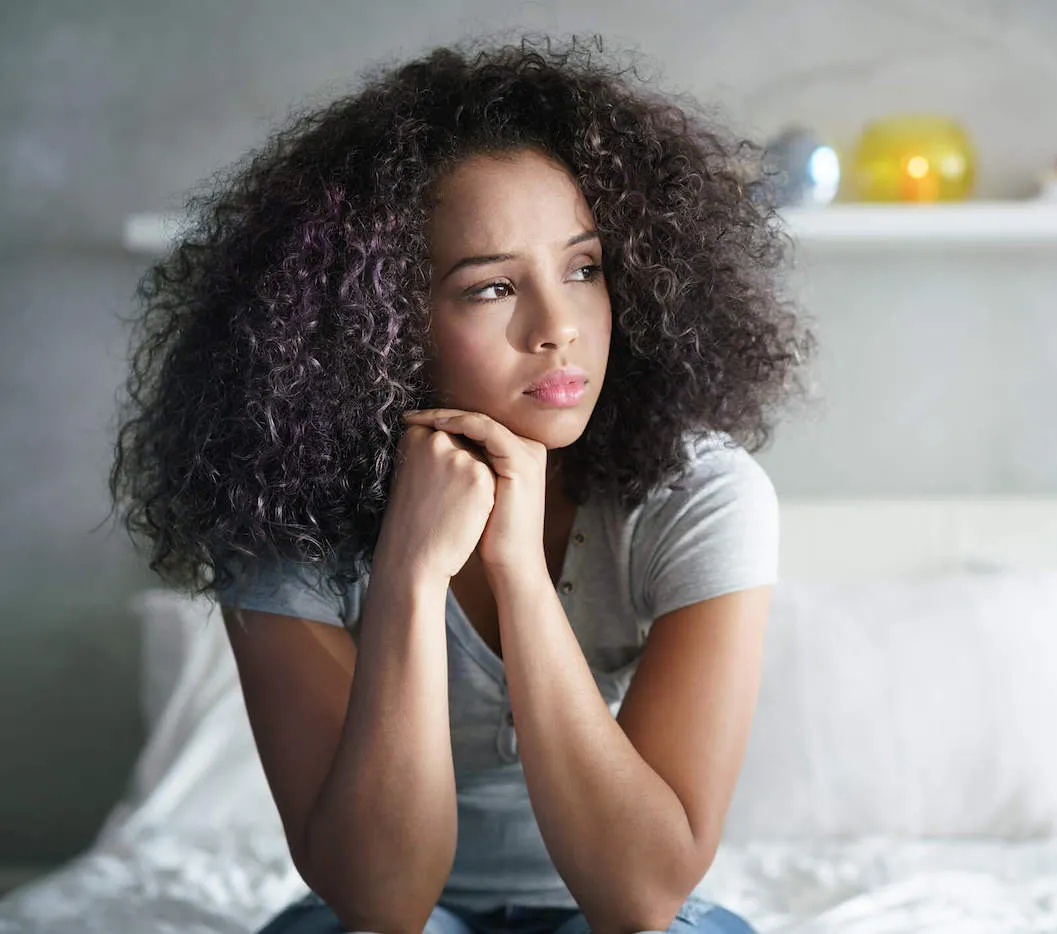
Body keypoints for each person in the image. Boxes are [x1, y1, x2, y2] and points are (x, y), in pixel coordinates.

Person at [108, 33, 814, 934]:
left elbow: (642, 896)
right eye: (489, 289)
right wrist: (407, 572)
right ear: (379, 323)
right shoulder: (277, 509)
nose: (559, 327)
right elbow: (381, 902)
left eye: (584, 268)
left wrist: (518, 570)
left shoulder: (700, 495)